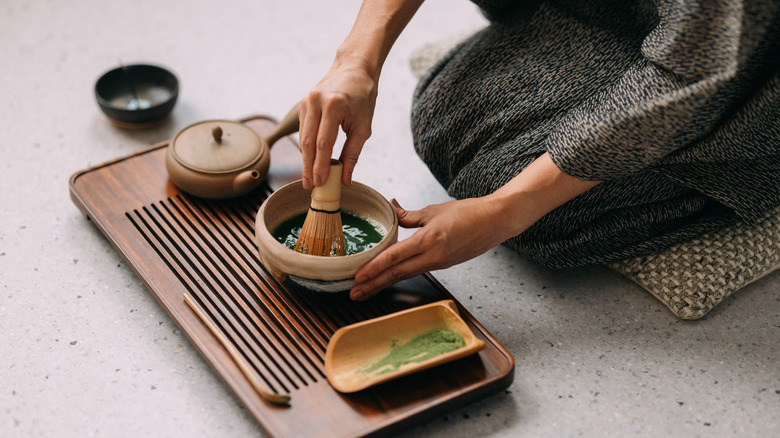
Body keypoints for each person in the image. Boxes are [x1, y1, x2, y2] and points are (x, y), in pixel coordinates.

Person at [296, 0, 780, 301]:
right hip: (605, 12)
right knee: (440, 115)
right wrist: (356, 59)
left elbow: (695, 66)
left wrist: (506, 211)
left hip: (735, 71)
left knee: (543, 219)